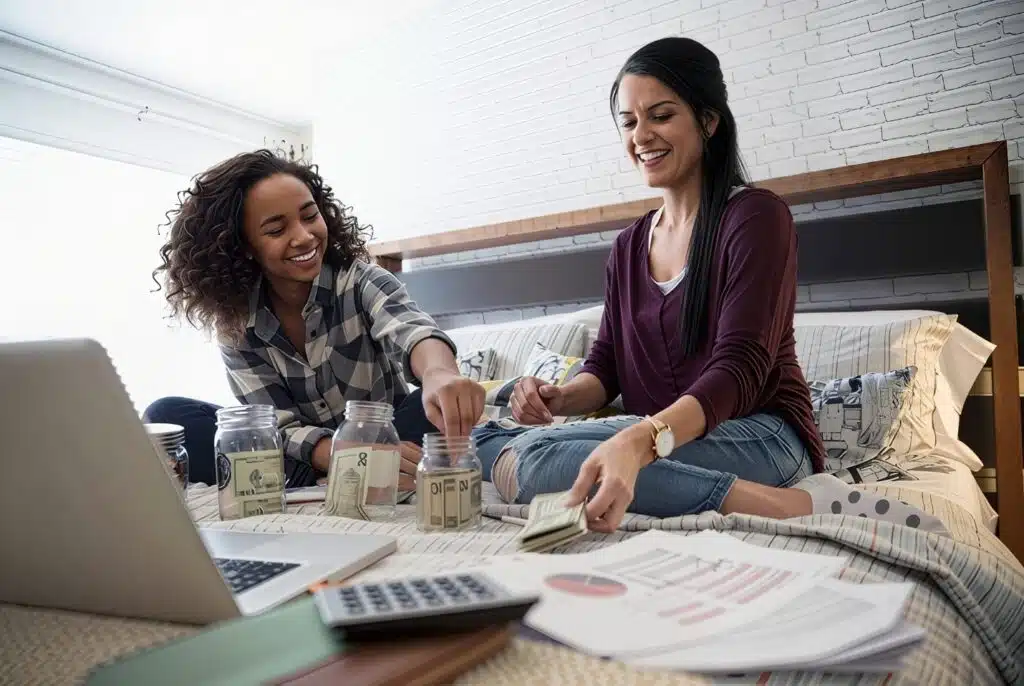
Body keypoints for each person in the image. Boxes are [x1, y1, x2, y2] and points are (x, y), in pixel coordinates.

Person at [470, 37, 947, 537]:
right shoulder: (627, 248)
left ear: (708, 121)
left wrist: (639, 440)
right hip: (664, 440)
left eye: (660, 115)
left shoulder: (757, 217)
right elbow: (606, 367)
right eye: (629, 122)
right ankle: (767, 503)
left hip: (762, 437)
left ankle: (800, 503)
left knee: (537, 461)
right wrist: (559, 398)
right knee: (486, 439)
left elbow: (739, 370)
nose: (641, 136)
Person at [146, 150, 483, 489]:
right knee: (167, 415)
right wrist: (340, 453)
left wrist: (438, 372)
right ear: (244, 247)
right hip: (305, 455)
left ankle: (340, 477)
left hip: (388, 435)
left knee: (430, 411)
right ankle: (343, 473)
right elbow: (274, 423)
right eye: (277, 229)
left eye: (310, 216)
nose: (304, 236)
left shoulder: (362, 282)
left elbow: (413, 330)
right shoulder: (237, 323)